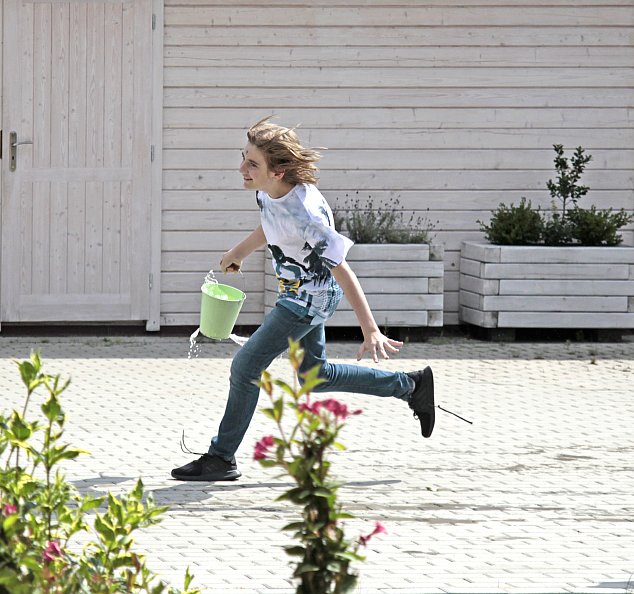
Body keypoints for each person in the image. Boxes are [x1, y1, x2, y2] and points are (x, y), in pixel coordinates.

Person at [171, 117, 436, 482]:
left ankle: (221, 458)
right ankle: (411, 386)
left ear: (278, 172)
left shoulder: (307, 214)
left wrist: (370, 329)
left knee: (245, 368)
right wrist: (239, 252)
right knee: (315, 378)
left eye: (252, 163)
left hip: (306, 301)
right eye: (243, 158)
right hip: (302, 294)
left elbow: (344, 271)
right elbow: (271, 226)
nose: (242, 169)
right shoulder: (269, 192)